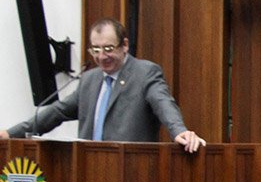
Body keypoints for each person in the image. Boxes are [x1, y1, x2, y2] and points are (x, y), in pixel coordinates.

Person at [0, 17, 205, 152]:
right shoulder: (89, 80)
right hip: (88, 171)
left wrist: (179, 131)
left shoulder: (145, 73)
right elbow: (58, 112)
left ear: (124, 45)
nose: (101, 56)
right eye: (95, 50)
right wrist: (10, 134)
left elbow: (163, 103)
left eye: (108, 48)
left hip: (130, 171)